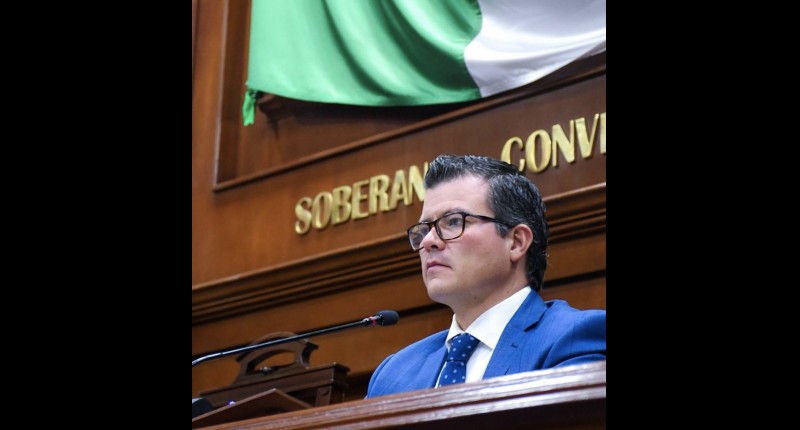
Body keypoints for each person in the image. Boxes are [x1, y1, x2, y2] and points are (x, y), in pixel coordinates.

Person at [365, 154, 605, 398]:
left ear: (516, 242)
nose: (427, 241)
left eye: (453, 221)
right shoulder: (393, 374)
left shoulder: (572, 340)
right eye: (424, 229)